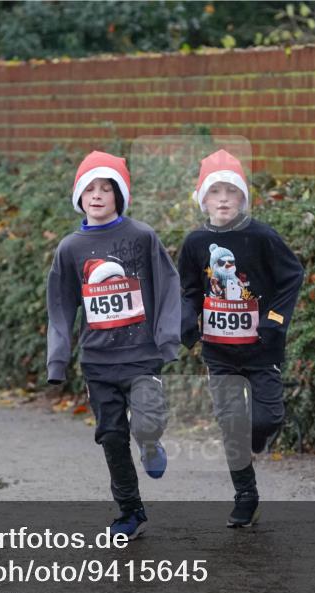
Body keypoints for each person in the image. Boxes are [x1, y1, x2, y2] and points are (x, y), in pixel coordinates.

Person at [46, 151, 181, 539]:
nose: (97, 195)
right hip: (98, 361)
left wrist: (168, 339)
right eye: (89, 188)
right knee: (111, 436)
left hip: (141, 355)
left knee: (146, 421)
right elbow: (59, 306)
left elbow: (169, 286)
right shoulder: (70, 249)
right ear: (79, 196)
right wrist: (58, 360)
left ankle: (152, 443)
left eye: (106, 187)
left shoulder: (141, 237)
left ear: (119, 194)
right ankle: (130, 512)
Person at [178, 149, 304, 527]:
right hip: (219, 351)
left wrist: (274, 320)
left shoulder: (261, 236)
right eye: (215, 192)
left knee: (268, 419)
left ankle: (247, 445)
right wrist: (188, 319)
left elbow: (291, 277)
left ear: (242, 199)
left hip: (261, 349)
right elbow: (188, 289)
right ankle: (245, 496)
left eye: (231, 193)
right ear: (204, 200)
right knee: (231, 422)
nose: (223, 200)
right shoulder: (195, 242)